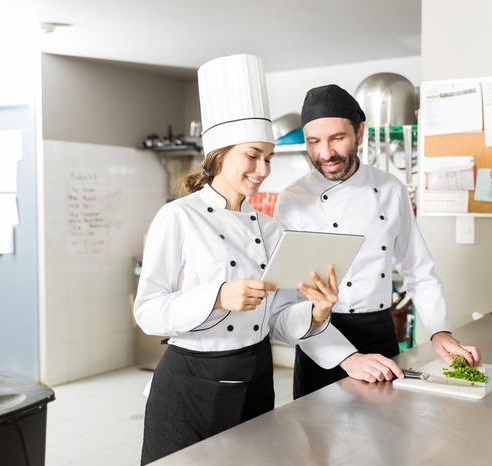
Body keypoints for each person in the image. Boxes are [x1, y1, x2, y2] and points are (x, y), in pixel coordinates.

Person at [133, 55, 339, 464]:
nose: (263, 169)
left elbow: (279, 320)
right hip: (191, 383)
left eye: (269, 157)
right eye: (252, 155)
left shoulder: (269, 228)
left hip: (256, 377)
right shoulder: (178, 217)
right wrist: (217, 295)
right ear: (219, 154)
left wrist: (316, 313)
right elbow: (148, 312)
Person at [273, 84, 481, 399]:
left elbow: (418, 270)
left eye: (337, 138)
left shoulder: (390, 189)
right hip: (321, 339)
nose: (325, 153)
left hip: (381, 335)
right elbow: (288, 301)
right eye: (313, 142)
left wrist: (440, 331)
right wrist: (347, 358)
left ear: (360, 131)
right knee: (317, 443)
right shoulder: (293, 200)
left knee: (384, 439)